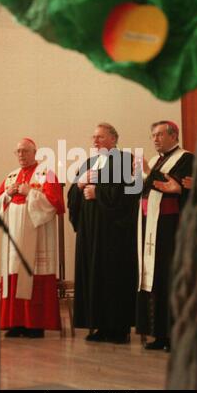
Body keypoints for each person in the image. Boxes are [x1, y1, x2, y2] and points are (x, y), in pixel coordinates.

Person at [68, 123, 139, 344]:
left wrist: (99, 192)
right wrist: (79, 186)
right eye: (93, 137)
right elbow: (72, 196)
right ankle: (98, 324)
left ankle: (119, 328)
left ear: (113, 139)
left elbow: (130, 194)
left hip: (113, 233)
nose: (95, 141)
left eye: (100, 137)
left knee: (113, 276)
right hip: (90, 231)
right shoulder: (89, 163)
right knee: (93, 275)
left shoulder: (125, 161)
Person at [0, 138, 65, 338]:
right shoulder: (11, 176)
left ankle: (35, 324)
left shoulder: (46, 174)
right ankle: (15, 323)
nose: (21, 155)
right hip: (13, 237)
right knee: (14, 276)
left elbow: (55, 205)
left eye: (25, 151)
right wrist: (8, 194)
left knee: (34, 277)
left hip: (37, 236)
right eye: (17, 151)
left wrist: (30, 192)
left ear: (35, 152)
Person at [136, 121, 194, 351]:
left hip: (171, 229)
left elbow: (180, 188)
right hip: (152, 228)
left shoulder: (186, 158)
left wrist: (175, 186)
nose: (155, 139)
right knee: (156, 280)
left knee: (171, 279)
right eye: (153, 135)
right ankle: (159, 334)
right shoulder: (154, 160)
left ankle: (176, 336)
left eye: (160, 134)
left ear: (174, 135)